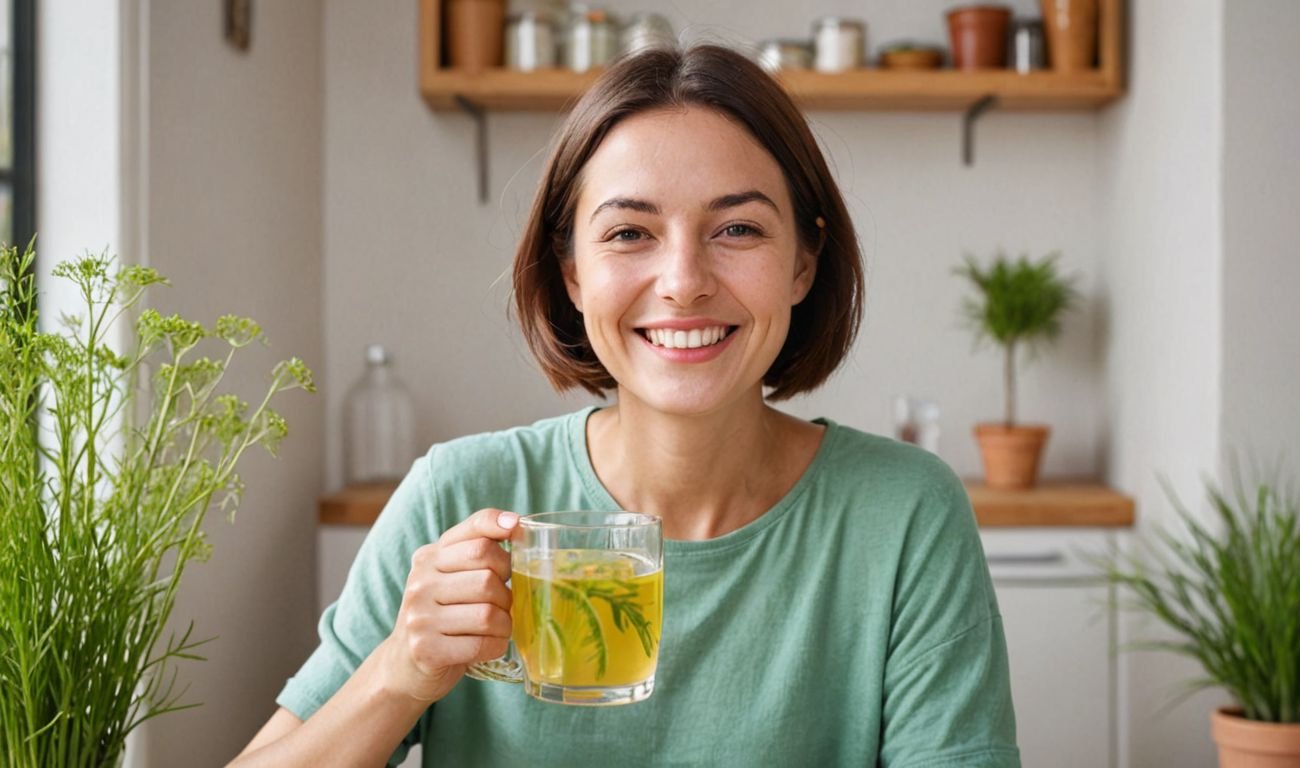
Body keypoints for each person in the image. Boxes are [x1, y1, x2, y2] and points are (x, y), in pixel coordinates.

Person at [232, 44, 1019, 767]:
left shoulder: (905, 515)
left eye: (738, 228)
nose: (683, 281)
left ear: (804, 264)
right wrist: (399, 674)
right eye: (630, 233)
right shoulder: (459, 495)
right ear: (571, 272)